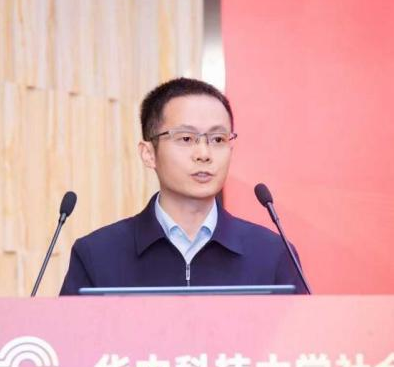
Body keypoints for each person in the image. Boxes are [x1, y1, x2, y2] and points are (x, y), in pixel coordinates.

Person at [59, 77, 306, 295]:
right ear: (148, 154)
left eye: (218, 139)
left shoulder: (273, 254)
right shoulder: (97, 255)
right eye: (186, 138)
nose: (204, 154)